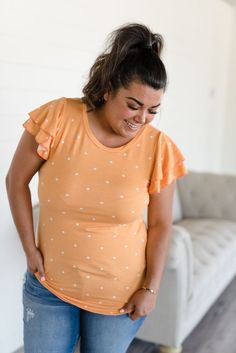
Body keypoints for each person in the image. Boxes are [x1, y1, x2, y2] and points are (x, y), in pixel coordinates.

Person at [5, 23, 187, 353]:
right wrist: (29, 249)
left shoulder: (158, 147)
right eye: (133, 105)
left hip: (120, 298)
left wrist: (151, 289)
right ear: (108, 90)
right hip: (50, 286)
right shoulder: (58, 118)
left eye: (152, 110)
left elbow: (161, 225)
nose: (142, 118)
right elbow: (16, 180)